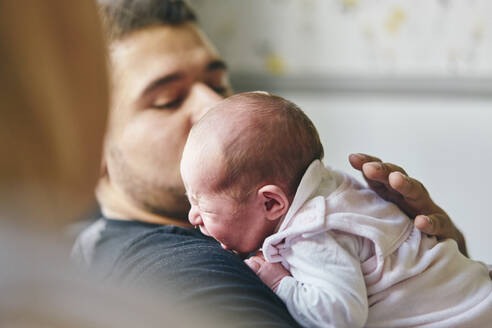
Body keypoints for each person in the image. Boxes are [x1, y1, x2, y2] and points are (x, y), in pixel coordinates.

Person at [72, 0, 471, 325]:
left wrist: (441, 263)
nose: (214, 105)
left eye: (217, 83)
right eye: (168, 100)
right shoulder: (184, 274)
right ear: (90, 144)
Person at [180, 92, 492, 328]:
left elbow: (341, 317)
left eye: (202, 206)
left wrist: (279, 282)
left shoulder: (311, 234)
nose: (193, 217)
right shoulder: (334, 187)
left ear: (271, 203)